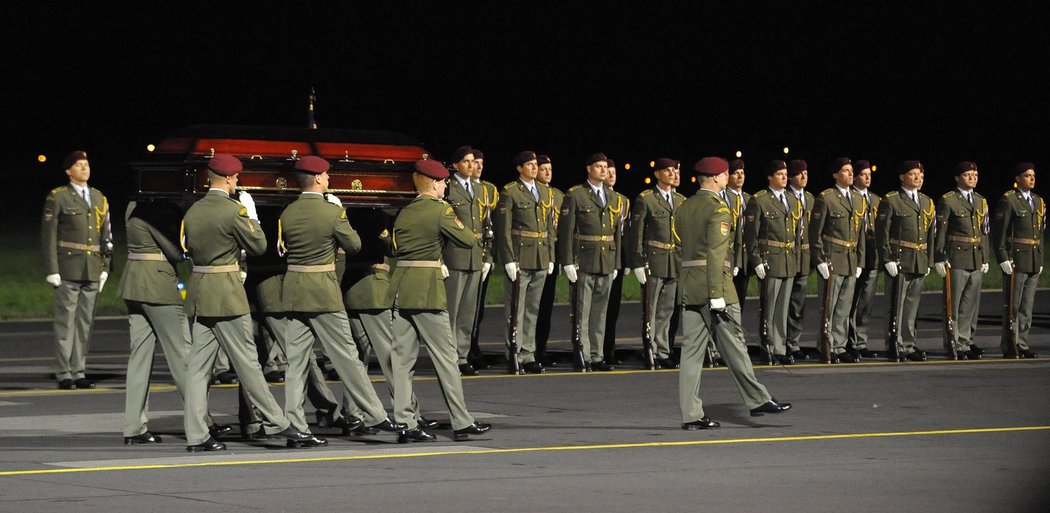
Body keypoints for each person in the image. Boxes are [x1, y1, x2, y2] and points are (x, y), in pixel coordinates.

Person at [180, 154, 315, 452]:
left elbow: (187, 248)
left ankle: (196, 434)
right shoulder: (233, 211)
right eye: (236, 179)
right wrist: (251, 216)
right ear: (228, 179)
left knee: (198, 369)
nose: (237, 183)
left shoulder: (193, 210)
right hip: (227, 295)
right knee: (248, 364)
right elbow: (259, 246)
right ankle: (279, 424)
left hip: (200, 292)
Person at [278, 155, 404, 442]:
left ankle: (296, 424)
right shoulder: (332, 212)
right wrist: (338, 214)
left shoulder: (288, 213)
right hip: (323, 291)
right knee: (348, 356)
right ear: (319, 178)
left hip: (295, 290)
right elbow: (355, 245)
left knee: (296, 363)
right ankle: (375, 414)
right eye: (327, 175)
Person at [675, 157, 791, 430]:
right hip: (716, 286)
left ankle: (691, 415)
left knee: (691, 353)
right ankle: (758, 398)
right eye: (726, 174)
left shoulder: (684, 207)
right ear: (716, 178)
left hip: (690, 285)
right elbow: (716, 254)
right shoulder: (719, 210)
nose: (728, 178)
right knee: (735, 344)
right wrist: (716, 293)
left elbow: (682, 249)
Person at [387, 159, 492, 443]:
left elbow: (395, 247)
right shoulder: (440, 210)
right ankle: (461, 420)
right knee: (446, 358)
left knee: (401, 361)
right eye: (444, 182)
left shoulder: (405, 212)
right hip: (427, 290)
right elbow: (468, 240)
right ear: (433, 184)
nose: (446, 186)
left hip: (401, 288)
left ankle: (405, 423)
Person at [119, 201, 230, 444]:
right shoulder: (160, 208)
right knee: (184, 358)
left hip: (134, 282)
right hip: (158, 285)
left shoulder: (133, 205)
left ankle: (134, 427)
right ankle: (201, 426)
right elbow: (176, 252)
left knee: (139, 358)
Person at [41, 150, 112, 390]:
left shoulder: (98, 197)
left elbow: (107, 234)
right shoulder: (59, 197)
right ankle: (64, 373)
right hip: (68, 268)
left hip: (92, 268)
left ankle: (79, 371)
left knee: (85, 324)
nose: (84, 168)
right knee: (66, 323)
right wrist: (52, 269)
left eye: (86, 164)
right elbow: (48, 235)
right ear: (68, 171)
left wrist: (105, 266)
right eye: (79, 165)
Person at [557, 153, 622, 371]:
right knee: (582, 310)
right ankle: (582, 353)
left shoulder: (613, 197)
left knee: (600, 312)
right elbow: (566, 231)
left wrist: (616, 263)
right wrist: (567, 261)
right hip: (584, 259)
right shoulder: (576, 195)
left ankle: (597, 355)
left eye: (605, 167)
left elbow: (617, 233)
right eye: (599, 167)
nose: (604, 170)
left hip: (606, 259)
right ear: (589, 169)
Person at [495, 151, 556, 374]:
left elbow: (549, 226)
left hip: (540, 256)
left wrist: (550, 256)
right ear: (520, 168)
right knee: (516, 309)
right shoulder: (510, 191)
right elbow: (504, 229)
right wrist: (509, 259)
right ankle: (513, 351)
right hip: (521, 256)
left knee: (532, 309)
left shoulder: (543, 191)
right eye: (529, 165)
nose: (533, 167)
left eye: (534, 164)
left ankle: (528, 354)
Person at [626, 157, 684, 369]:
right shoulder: (647, 199)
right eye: (667, 171)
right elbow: (637, 233)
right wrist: (638, 261)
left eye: (674, 171)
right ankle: (649, 348)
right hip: (654, 259)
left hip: (674, 261)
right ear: (657, 174)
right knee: (650, 310)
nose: (672, 174)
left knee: (666, 310)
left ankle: (663, 350)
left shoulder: (680, 201)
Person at [875, 160, 935, 362]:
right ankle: (895, 342)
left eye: (921, 175)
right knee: (896, 305)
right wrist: (887, 258)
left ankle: (909, 344)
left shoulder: (926, 201)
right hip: (899, 259)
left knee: (912, 306)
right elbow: (881, 234)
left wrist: (929, 260)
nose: (918, 178)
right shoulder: (892, 200)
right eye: (913, 174)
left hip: (919, 258)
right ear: (902, 177)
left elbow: (930, 234)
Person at [742, 160, 801, 365]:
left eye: (785, 174)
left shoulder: (793, 200)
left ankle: (780, 347)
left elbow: (797, 234)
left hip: (788, 259)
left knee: (783, 307)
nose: (784, 177)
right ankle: (768, 346)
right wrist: (756, 260)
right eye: (780, 174)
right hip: (770, 259)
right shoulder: (759, 201)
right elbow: (750, 236)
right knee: (769, 307)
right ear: (770, 177)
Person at [809, 158, 866, 363]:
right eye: (846, 171)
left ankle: (840, 346)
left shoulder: (859, 200)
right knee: (829, 306)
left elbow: (860, 234)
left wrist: (860, 260)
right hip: (832, 258)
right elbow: (815, 233)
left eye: (851, 171)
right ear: (835, 175)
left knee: (844, 306)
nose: (851, 174)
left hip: (850, 259)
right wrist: (820, 260)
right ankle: (826, 344)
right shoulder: (826, 198)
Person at [934, 162, 990, 359]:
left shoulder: (981, 201)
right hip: (956, 257)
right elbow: (940, 231)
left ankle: (966, 341)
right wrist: (939, 256)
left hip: (975, 256)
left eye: (975, 174)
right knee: (954, 303)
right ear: (958, 178)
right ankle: (953, 341)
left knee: (970, 304)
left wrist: (985, 257)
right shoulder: (948, 200)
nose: (972, 178)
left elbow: (985, 232)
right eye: (967, 175)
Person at [443, 146, 490, 376]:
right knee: (452, 310)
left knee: (468, 311)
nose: (472, 165)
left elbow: (487, 224)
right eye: (466, 161)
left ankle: (462, 356)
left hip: (475, 256)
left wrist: (487, 256)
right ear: (455, 165)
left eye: (473, 161)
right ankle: (448, 357)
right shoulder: (448, 188)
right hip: (455, 254)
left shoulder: (480, 190)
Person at [992, 163, 1044, 358]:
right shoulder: (1010, 200)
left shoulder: (1038, 202)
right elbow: (1000, 232)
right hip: (1016, 258)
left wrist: (1040, 259)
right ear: (1018, 179)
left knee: (1027, 306)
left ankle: (1022, 343)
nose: (1032, 178)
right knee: (1012, 305)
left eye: (1033, 175)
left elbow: (1040, 233)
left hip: (1032, 258)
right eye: (1027, 175)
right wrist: (1002, 257)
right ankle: (1009, 344)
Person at [468, 148, 499, 369]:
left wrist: (490, 257)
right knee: (465, 306)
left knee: (478, 307)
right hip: (466, 254)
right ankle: (466, 349)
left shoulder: (489, 190)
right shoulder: (462, 189)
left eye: (480, 162)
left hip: (482, 254)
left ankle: (474, 345)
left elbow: (493, 226)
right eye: (474, 162)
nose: (478, 166)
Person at [847, 160, 881, 359]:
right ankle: (848, 340)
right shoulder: (849, 198)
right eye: (863, 174)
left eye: (869, 174)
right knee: (850, 301)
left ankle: (861, 340)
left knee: (866, 300)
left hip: (872, 254)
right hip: (854, 255)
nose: (867, 178)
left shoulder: (876, 200)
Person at [534, 154, 563, 365]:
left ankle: (541, 349)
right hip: (535, 253)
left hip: (552, 253)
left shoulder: (558, 196)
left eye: (550, 169)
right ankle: (529, 349)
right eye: (543, 169)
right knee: (532, 306)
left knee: (546, 306)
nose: (547, 173)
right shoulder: (536, 194)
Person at [602, 159, 630, 364]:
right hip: (600, 257)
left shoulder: (622, 201)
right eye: (607, 171)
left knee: (613, 309)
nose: (611, 175)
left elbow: (624, 235)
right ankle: (597, 351)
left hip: (615, 259)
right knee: (599, 308)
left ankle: (609, 349)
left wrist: (625, 261)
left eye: (614, 172)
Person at [785, 159, 814, 360]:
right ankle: (779, 342)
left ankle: (793, 342)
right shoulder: (784, 197)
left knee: (797, 304)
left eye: (805, 173)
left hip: (804, 257)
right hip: (786, 257)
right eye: (799, 174)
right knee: (783, 303)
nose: (803, 177)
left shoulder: (811, 199)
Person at [726, 159, 752, 308]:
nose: (740, 176)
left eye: (742, 173)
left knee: (741, 297)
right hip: (730, 254)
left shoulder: (748, 199)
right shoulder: (724, 198)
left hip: (745, 255)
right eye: (736, 173)